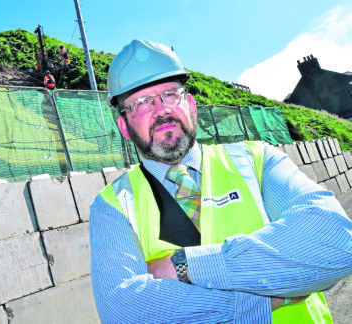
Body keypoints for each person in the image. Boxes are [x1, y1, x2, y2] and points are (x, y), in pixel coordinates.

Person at [90, 39, 352, 323]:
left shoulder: (257, 159)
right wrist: (265, 299)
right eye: (141, 103)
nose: (161, 109)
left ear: (190, 104)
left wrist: (184, 267)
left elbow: (336, 241)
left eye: (170, 94)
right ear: (123, 126)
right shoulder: (112, 205)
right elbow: (125, 312)